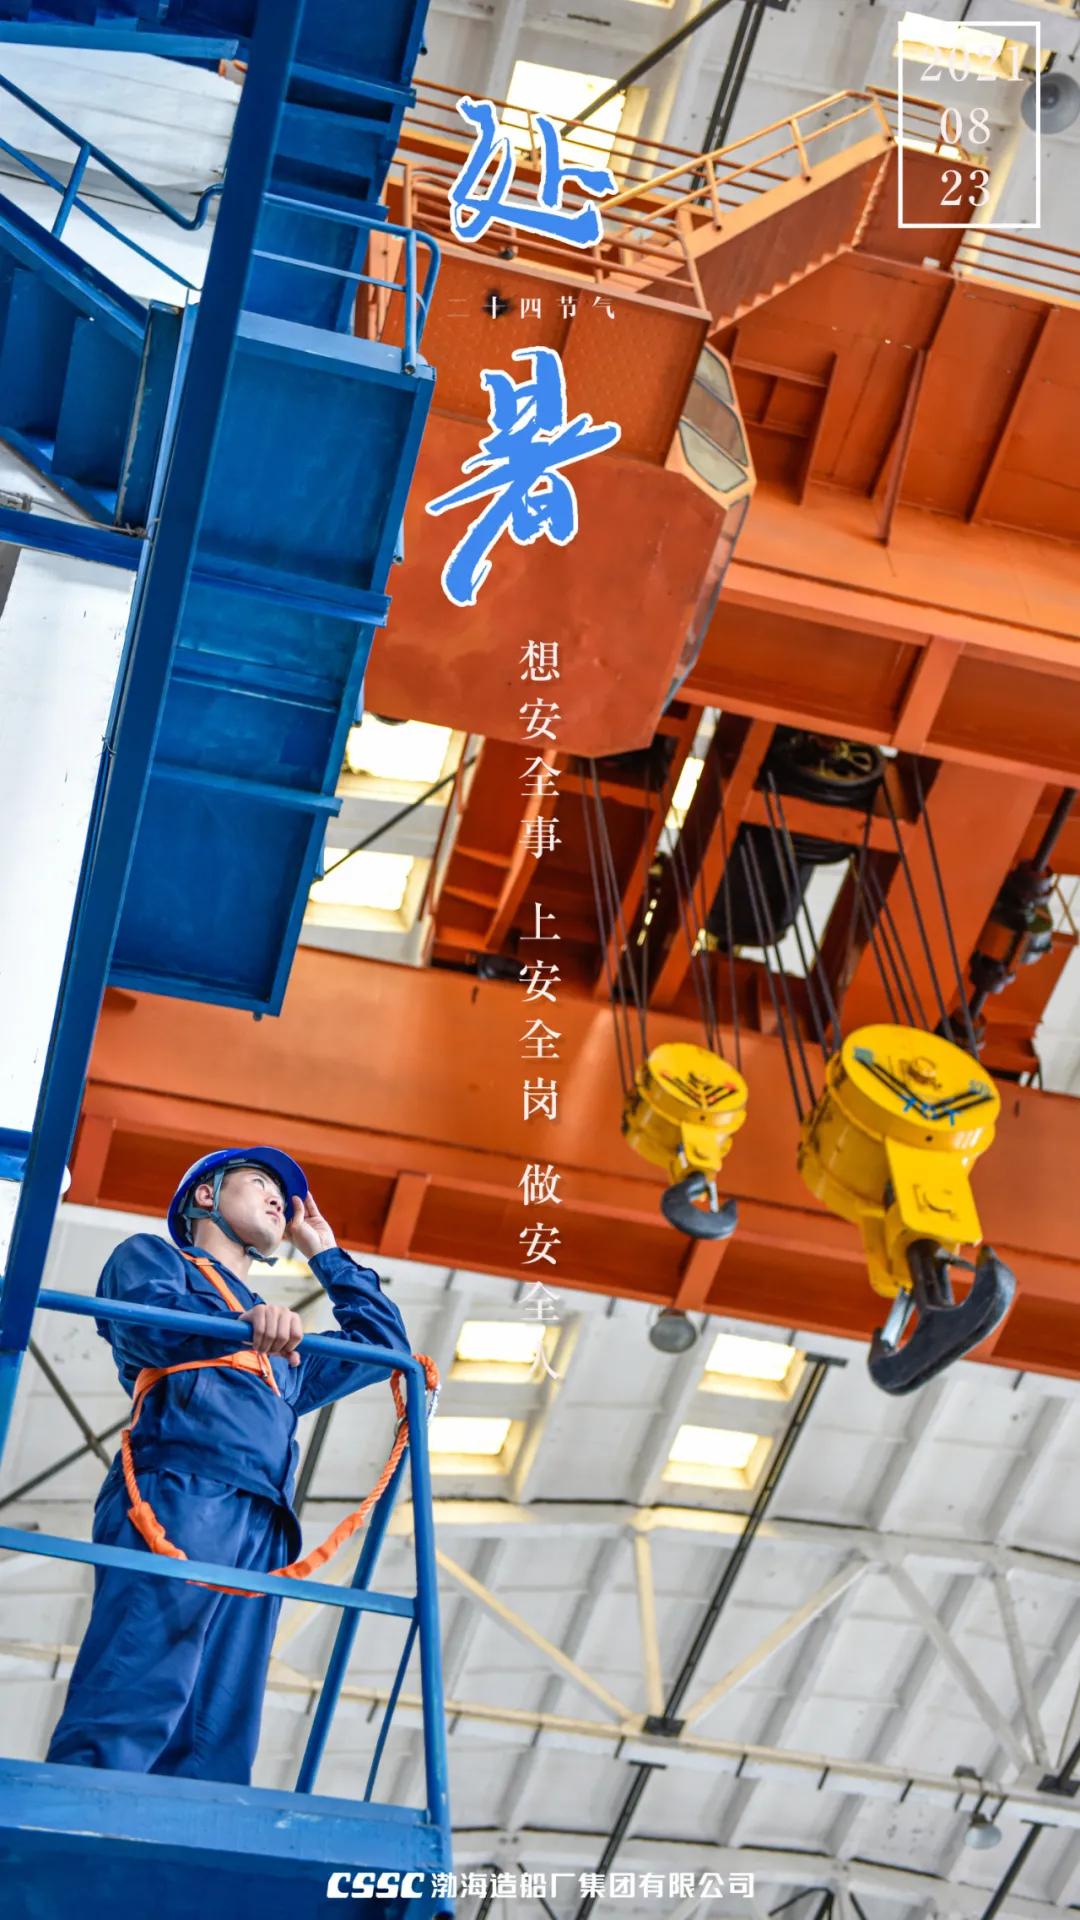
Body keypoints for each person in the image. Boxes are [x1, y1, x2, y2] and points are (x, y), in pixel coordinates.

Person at [46, 1145, 411, 1783]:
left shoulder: (286, 1354)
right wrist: (243, 1324)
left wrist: (324, 1252)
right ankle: (78, 1803)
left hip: (265, 1520)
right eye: (260, 1181)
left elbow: (383, 1345)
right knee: (142, 1674)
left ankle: (192, 1831)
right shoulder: (154, 1258)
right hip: (182, 1486)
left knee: (219, 1722)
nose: (279, 1198)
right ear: (206, 1195)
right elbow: (150, 1327)